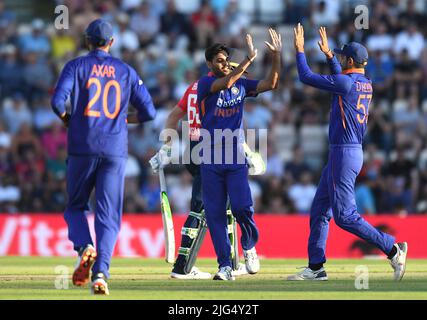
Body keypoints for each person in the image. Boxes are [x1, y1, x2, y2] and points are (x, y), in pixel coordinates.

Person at [288, 24, 407, 281]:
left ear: (350, 61)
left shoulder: (346, 82)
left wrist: (299, 51)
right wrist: (330, 57)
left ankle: (392, 248)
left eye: (343, 57)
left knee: (344, 217)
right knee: (320, 210)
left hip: (343, 153)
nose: (340, 60)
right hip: (346, 152)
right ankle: (316, 267)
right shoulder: (363, 82)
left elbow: (306, 77)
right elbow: (340, 82)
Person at [51, 19, 156, 295]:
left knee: (75, 207)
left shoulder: (76, 66)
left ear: (87, 41)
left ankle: (85, 247)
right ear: (112, 43)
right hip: (114, 150)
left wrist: (67, 119)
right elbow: (149, 113)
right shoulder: (126, 71)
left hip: (82, 147)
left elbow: (56, 102)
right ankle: (101, 275)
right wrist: (125, 119)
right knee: (108, 217)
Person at [149, 63, 263, 280]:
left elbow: (174, 116)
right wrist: (246, 151)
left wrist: (167, 146)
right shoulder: (218, 88)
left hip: (196, 146)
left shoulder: (194, 87)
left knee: (225, 207)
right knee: (203, 207)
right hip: (212, 147)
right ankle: (182, 266)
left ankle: (232, 262)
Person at [196, 28, 282, 280]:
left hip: (234, 155)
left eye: (225, 60)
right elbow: (226, 82)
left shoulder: (241, 84)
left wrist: (276, 56)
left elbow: (272, 83)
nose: (223, 64)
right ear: (210, 64)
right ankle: (225, 265)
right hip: (210, 157)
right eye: (218, 61)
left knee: (243, 207)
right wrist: (249, 60)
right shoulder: (205, 83)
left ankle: (249, 246)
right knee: (215, 215)